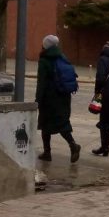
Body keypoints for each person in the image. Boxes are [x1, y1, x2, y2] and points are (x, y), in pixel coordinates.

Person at [35, 34, 81, 163]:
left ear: (45, 45)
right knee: (62, 124)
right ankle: (72, 145)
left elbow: (41, 83)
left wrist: (37, 100)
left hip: (49, 98)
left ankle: (48, 152)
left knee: (45, 124)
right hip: (64, 96)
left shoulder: (44, 60)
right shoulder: (62, 56)